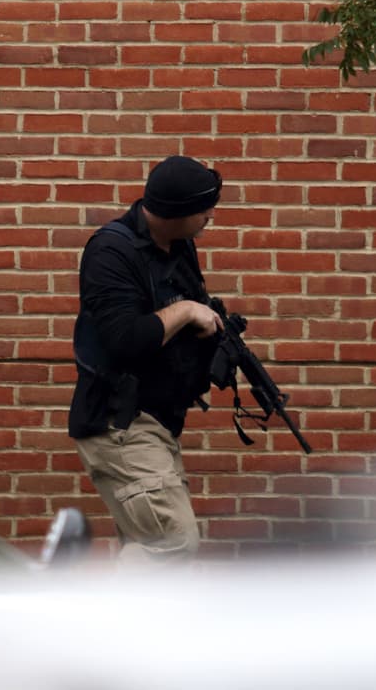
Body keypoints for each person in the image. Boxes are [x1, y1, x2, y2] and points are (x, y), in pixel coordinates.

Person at [67, 154, 225, 561]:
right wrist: (187, 311)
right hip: (119, 423)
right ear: (176, 211)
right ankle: (102, 624)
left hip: (156, 424)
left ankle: (128, 623)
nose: (211, 214)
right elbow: (124, 340)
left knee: (148, 548)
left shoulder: (178, 246)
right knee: (173, 542)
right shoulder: (110, 252)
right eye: (204, 207)